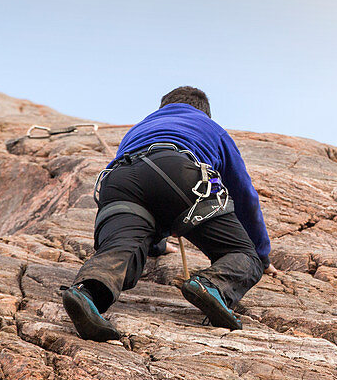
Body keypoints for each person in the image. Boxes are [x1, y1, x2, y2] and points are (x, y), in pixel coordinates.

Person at [61, 86, 273, 339]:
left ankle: (88, 293)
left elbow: (145, 201)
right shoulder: (212, 128)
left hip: (118, 181)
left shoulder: (139, 128)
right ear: (205, 112)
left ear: (163, 107)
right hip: (177, 170)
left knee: (120, 251)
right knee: (242, 255)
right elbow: (243, 193)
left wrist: (158, 246)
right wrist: (260, 255)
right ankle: (211, 285)